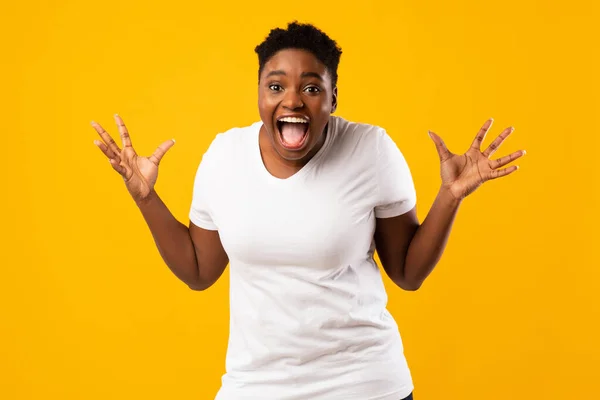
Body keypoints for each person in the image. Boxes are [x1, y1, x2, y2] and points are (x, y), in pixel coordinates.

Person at [91, 21, 525, 400]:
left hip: (364, 386)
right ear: (259, 93)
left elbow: (408, 274)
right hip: (255, 388)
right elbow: (199, 271)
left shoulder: (370, 150)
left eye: (312, 87)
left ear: (334, 97)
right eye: (276, 86)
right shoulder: (225, 156)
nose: (293, 100)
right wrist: (146, 197)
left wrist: (450, 196)